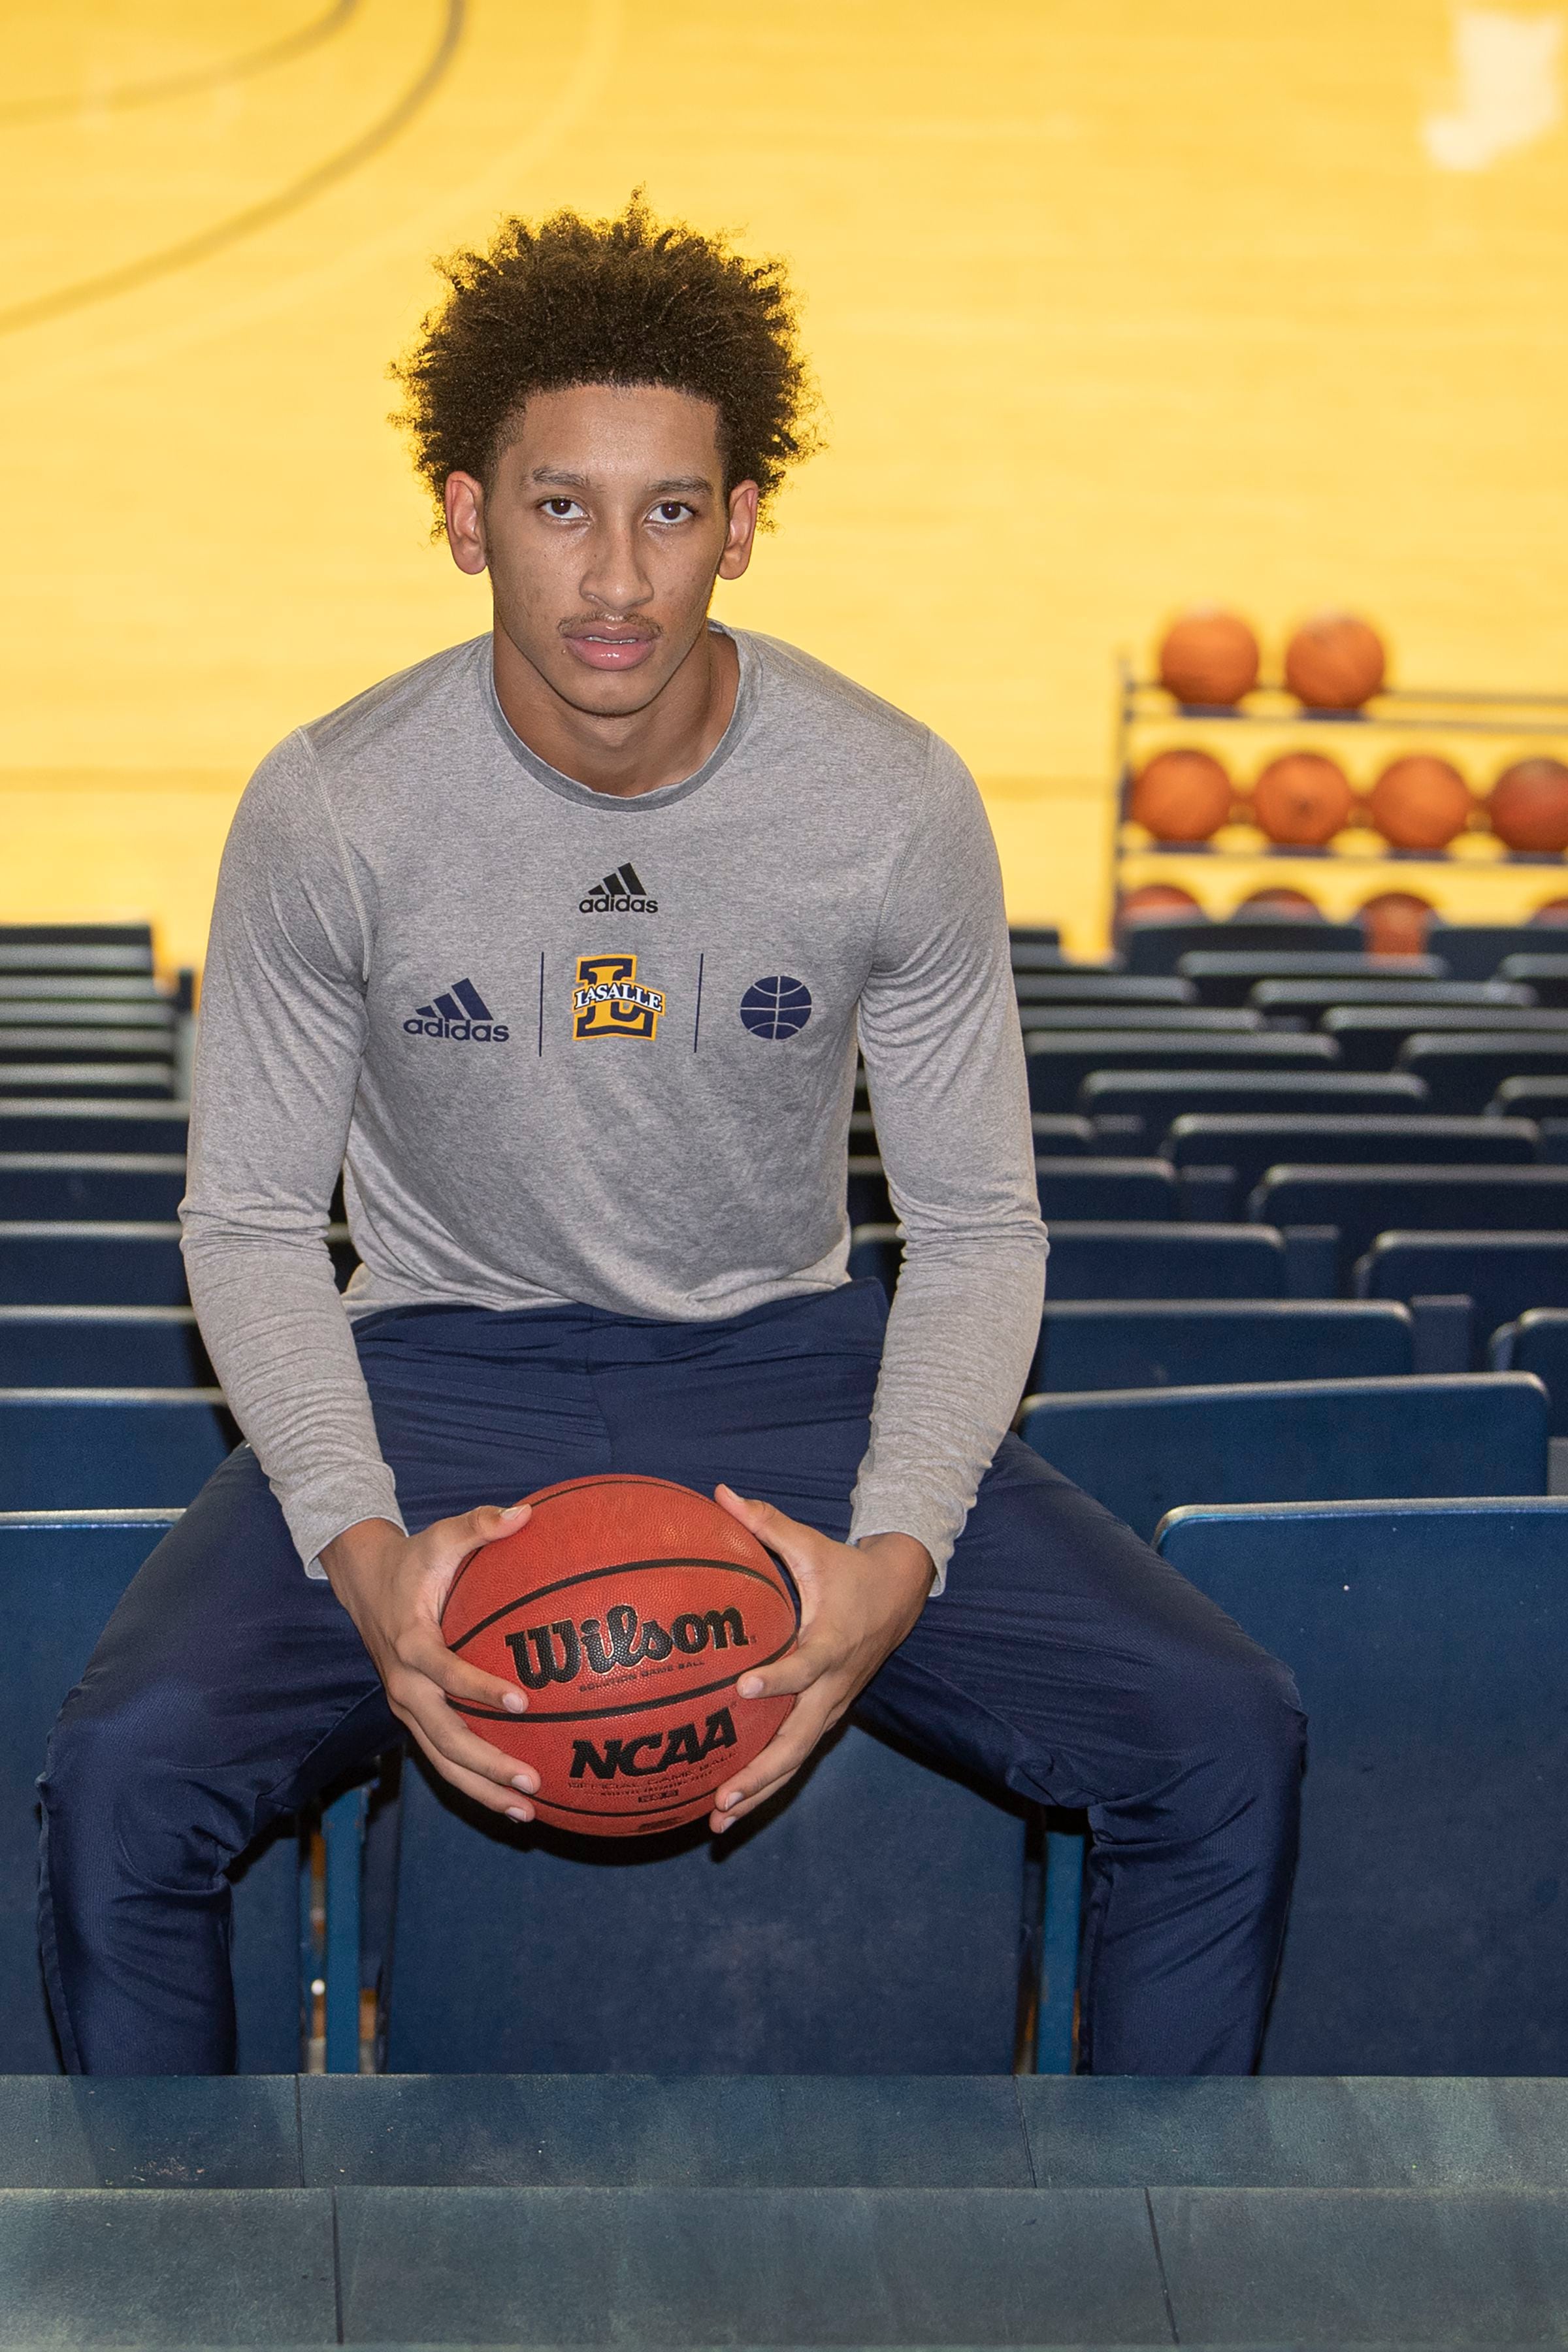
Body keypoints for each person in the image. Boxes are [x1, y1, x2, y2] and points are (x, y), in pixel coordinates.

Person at [39, 198, 1303, 2076]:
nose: (618, 578)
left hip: (783, 1359)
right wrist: (361, 1547)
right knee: (125, 1781)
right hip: (436, 1364)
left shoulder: (886, 800)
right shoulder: (336, 808)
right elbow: (245, 1224)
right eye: (561, 506)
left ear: (744, 521)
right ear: (466, 516)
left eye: (673, 511)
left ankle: (1156, 2229)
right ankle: (169, 2244)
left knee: (1221, 1737)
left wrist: (897, 1555)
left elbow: (976, 1229)